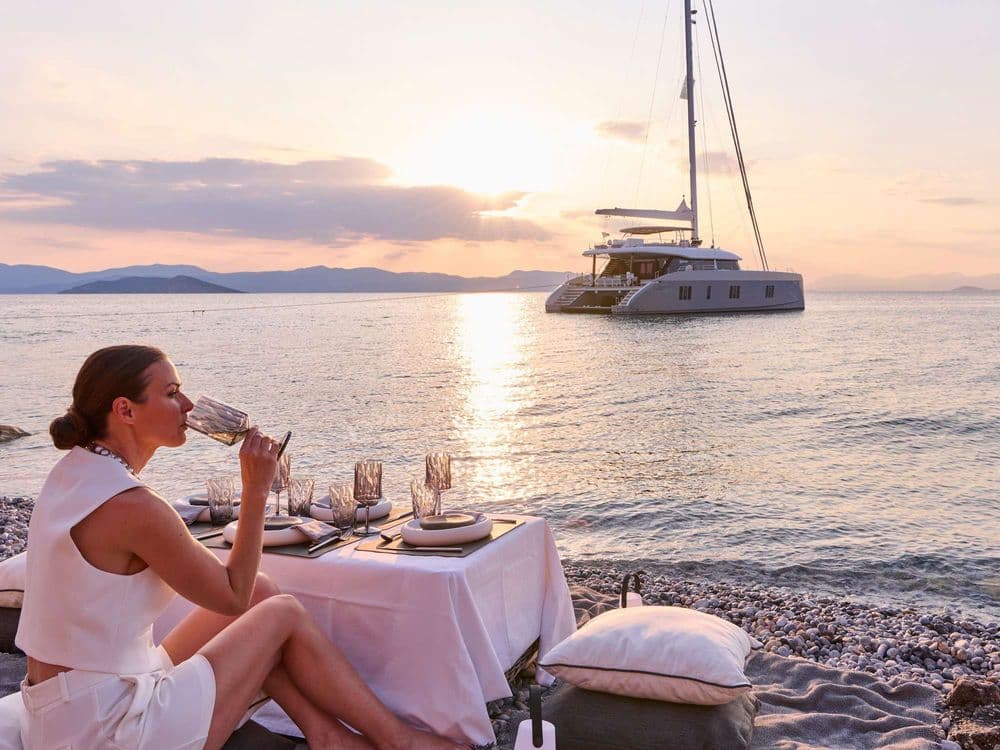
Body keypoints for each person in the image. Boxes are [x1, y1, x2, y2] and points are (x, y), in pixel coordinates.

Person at [16, 345, 466, 750]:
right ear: (125, 410)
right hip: (110, 730)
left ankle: (327, 736)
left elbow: (240, 593)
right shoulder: (132, 506)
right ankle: (400, 741)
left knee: (262, 594)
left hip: (71, 708)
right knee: (281, 611)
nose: (189, 407)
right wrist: (255, 490)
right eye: (172, 393)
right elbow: (228, 593)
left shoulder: (73, 473)